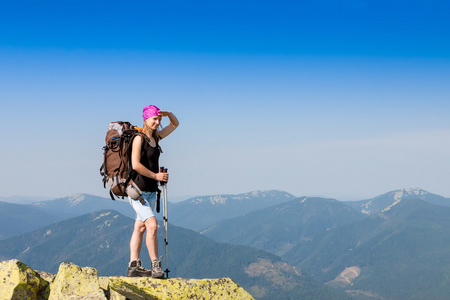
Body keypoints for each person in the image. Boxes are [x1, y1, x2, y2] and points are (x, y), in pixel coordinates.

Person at [126, 105, 179, 278]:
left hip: (150, 192)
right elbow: (135, 164)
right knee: (152, 226)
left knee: (140, 228)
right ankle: (156, 266)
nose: (157, 122)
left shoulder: (156, 138)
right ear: (145, 119)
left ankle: (133, 266)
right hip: (137, 191)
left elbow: (175, 125)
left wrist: (169, 113)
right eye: (154, 119)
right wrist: (156, 176)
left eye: (159, 120)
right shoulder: (138, 139)